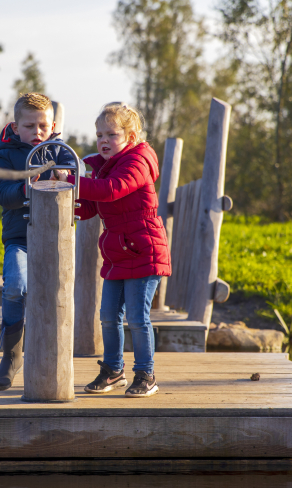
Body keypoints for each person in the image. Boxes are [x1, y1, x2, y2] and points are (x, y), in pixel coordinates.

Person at [59, 102, 171, 398]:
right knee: (108, 315)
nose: (103, 140)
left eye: (111, 134)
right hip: (118, 250)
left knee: (137, 317)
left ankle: (147, 375)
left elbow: (111, 190)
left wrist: (71, 180)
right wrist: (60, 201)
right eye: (99, 135)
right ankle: (113, 370)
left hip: (145, 250)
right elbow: (93, 207)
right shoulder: (105, 167)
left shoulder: (138, 161)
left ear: (131, 137)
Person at [0, 93, 76, 391]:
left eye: (42, 126)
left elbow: (78, 178)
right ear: (15, 127)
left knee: (59, 295)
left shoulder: (61, 150)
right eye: (29, 126)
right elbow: (4, 195)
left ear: (52, 126)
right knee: (15, 286)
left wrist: (65, 174)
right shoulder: (4, 154)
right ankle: (12, 357)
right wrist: (29, 186)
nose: (37, 132)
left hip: (57, 238)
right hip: (21, 237)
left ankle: (56, 360)